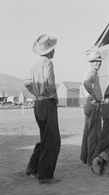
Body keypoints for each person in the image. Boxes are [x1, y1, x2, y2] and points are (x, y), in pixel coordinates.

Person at [24, 34, 61, 184]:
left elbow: (27, 83)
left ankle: (32, 167)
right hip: (47, 103)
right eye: (53, 48)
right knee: (52, 140)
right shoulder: (47, 63)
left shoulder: (34, 64)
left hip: (38, 104)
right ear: (50, 50)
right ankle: (45, 175)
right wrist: (53, 95)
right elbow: (49, 82)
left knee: (44, 137)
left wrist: (37, 93)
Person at [80, 49, 103, 165]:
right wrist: (93, 95)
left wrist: (89, 95)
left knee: (88, 131)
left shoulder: (90, 72)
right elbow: (86, 83)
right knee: (94, 134)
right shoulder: (92, 73)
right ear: (91, 62)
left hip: (89, 104)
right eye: (96, 61)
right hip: (94, 105)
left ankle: (85, 157)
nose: (98, 63)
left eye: (99, 61)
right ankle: (92, 159)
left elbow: (83, 85)